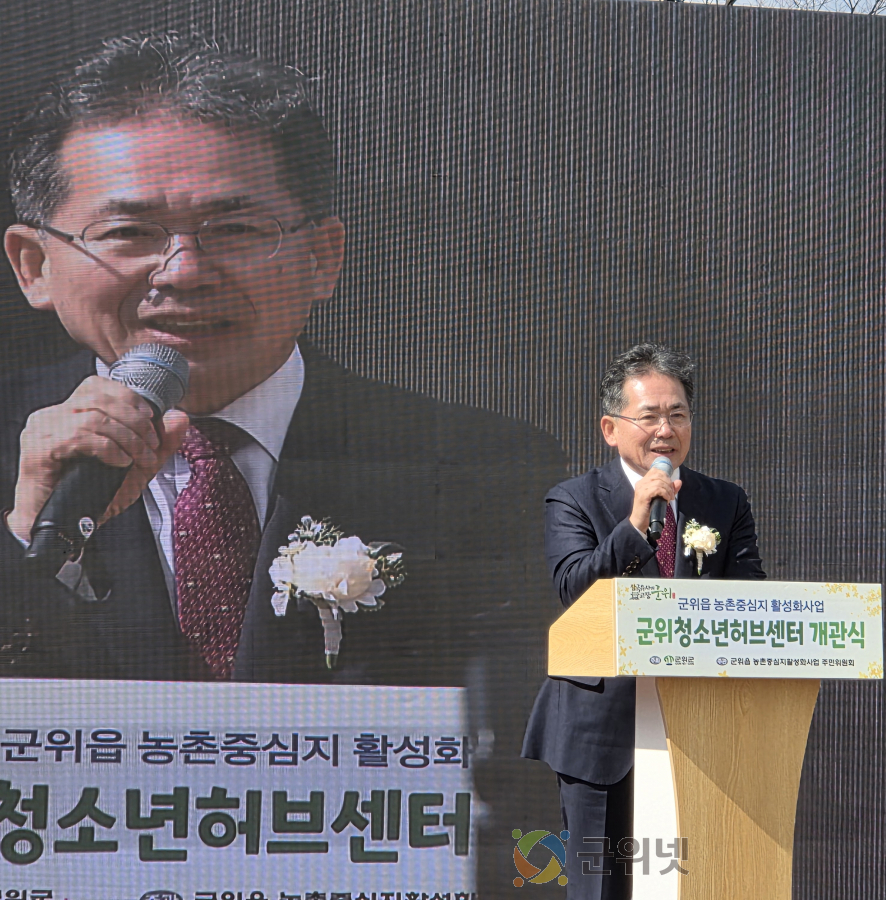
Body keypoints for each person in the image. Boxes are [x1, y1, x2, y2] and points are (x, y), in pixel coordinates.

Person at [0, 33, 566, 686]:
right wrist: (29, 538)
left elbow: (537, 734)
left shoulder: (481, 470)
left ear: (322, 258)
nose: (183, 273)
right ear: (35, 266)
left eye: (236, 230)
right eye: (128, 232)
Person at [521, 342, 766, 900]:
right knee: (600, 889)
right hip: (599, 731)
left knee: (689, 886)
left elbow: (748, 599)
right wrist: (636, 523)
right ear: (610, 428)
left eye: (677, 414)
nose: (665, 429)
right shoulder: (574, 500)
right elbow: (574, 590)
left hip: (697, 729)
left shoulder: (724, 501)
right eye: (649, 415)